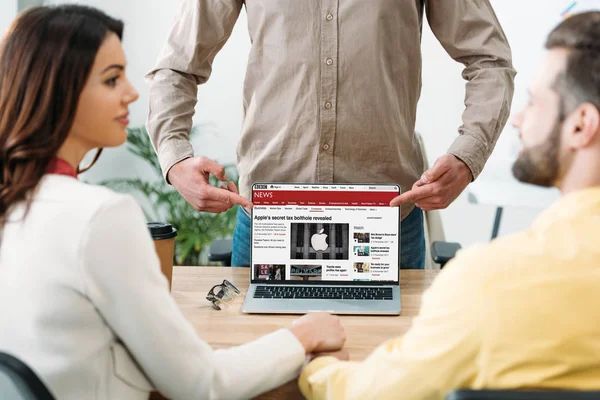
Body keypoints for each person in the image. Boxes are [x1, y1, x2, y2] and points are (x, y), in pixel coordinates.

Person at [0, 6, 346, 400]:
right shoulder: (100, 217)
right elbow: (202, 385)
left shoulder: (17, 205)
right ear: (57, 89)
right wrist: (303, 334)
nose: (132, 92)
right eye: (112, 79)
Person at [298, 11, 600, 399]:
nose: (518, 119)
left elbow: (374, 394)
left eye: (534, 101)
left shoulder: (489, 285)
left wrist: (316, 365)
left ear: (580, 125)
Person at [145, 0, 516, 269]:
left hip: (386, 225)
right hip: (269, 219)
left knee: (386, 373)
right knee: (262, 371)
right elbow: (176, 67)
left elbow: (490, 61)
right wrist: (175, 157)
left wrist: (468, 155)